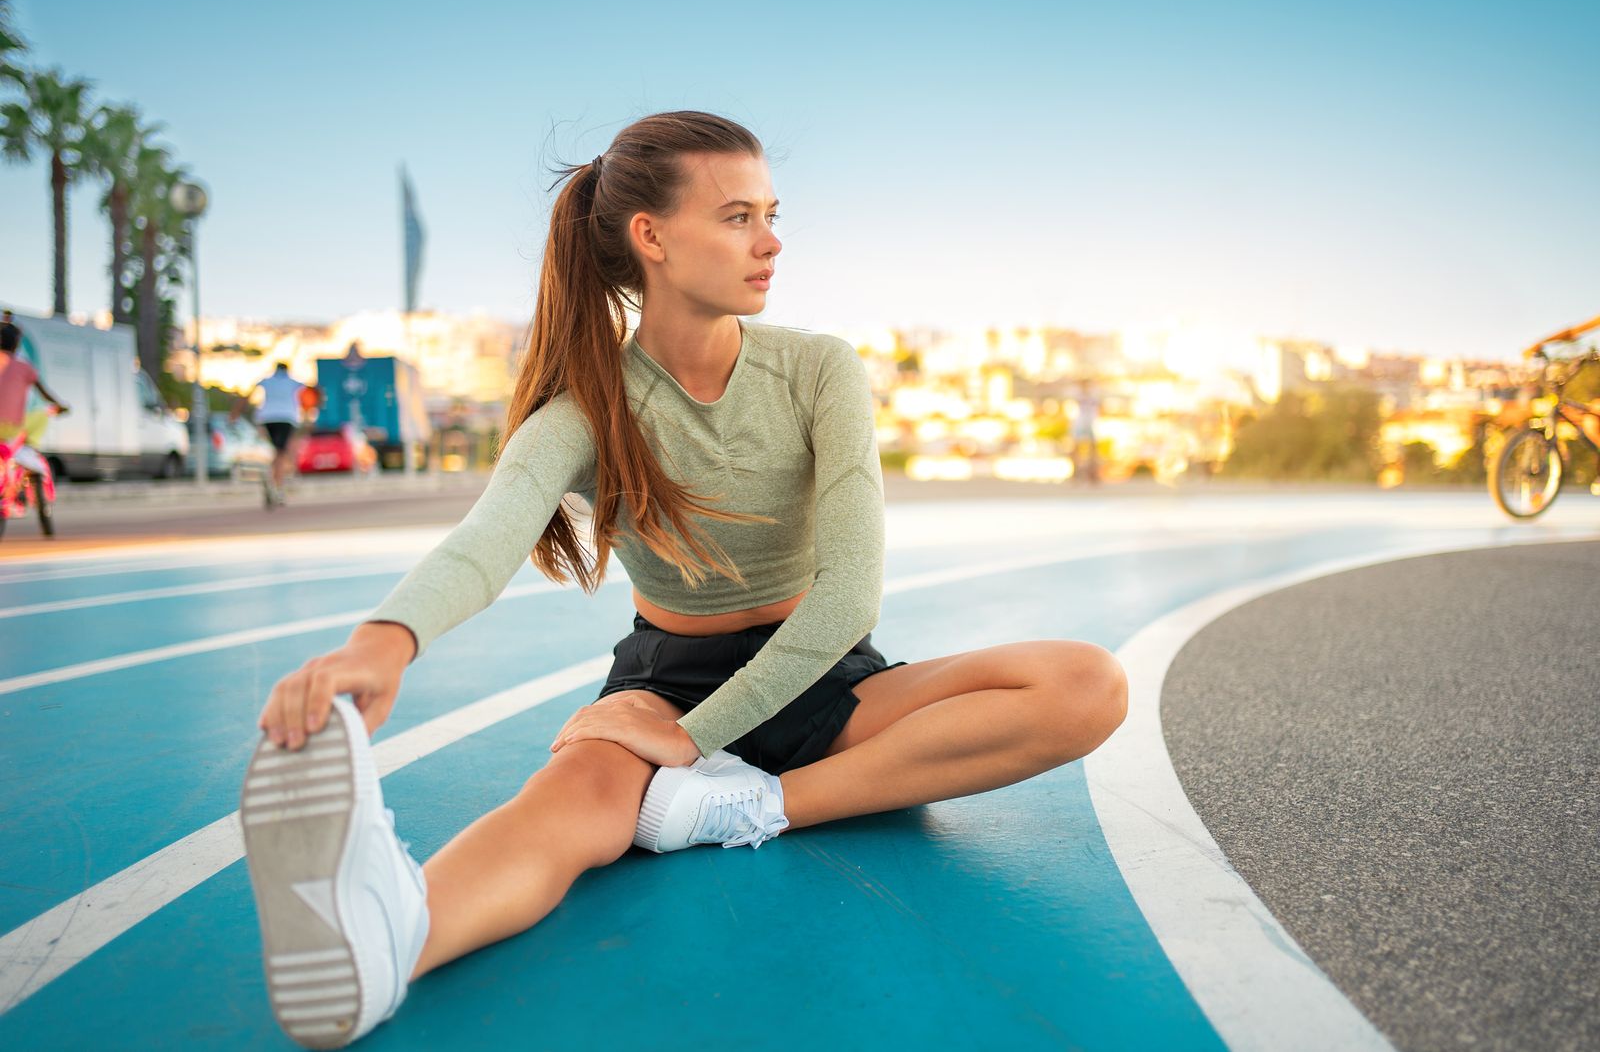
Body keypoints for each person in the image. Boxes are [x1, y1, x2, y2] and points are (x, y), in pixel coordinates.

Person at [238, 111, 1130, 1049]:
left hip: (822, 673)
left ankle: (757, 806)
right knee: (563, 812)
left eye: (772, 213)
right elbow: (484, 540)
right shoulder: (586, 408)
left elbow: (847, 598)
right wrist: (382, 643)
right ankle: (392, 941)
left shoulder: (818, 369)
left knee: (1084, 683)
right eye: (739, 215)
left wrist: (698, 745)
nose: (772, 240)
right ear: (651, 237)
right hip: (664, 680)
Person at [0, 321, 70, 477]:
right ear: (17, 344)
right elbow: (45, 394)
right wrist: (60, 405)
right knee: (44, 412)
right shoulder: (24, 367)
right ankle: (26, 451)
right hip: (12, 428)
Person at [231, 361, 304, 507]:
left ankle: (271, 479)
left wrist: (235, 412)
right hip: (286, 418)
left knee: (277, 451)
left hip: (267, 418)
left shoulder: (267, 380)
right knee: (281, 453)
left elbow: (247, 395)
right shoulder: (292, 382)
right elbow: (313, 391)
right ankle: (276, 487)